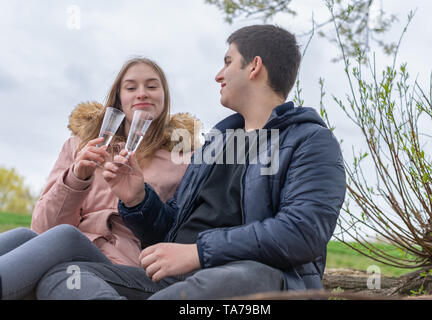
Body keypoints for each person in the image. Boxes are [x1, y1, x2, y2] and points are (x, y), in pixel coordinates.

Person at [36, 24, 346, 300]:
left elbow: (302, 233)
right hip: (172, 282)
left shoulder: (310, 141)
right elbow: (171, 230)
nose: (218, 75)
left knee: (243, 277)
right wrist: (138, 199)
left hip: (250, 278)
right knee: (66, 275)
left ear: (254, 67)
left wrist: (199, 253)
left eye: (227, 63)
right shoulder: (215, 144)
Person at [0, 57, 200, 300]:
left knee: (65, 236)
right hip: (65, 254)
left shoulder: (184, 160)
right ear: (118, 98)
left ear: (164, 96)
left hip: (123, 266)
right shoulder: (79, 146)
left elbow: (177, 231)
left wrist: (137, 198)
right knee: (24, 236)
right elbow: (42, 230)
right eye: (130, 87)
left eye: (151, 86)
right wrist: (76, 178)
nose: (141, 94)